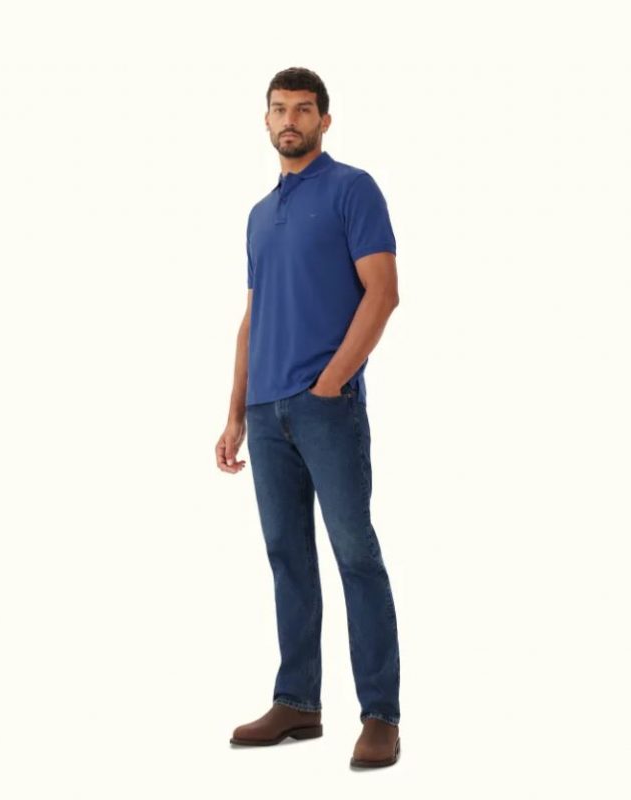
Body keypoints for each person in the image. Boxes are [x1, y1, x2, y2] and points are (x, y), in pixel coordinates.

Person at [215, 67, 402, 769]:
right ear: (266, 121)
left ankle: (380, 715)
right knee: (287, 558)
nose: (289, 119)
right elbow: (252, 317)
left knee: (355, 555)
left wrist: (331, 382)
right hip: (265, 412)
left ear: (324, 119)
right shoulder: (258, 215)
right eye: (278, 109)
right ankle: (298, 702)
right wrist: (235, 410)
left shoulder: (353, 189)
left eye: (302, 109)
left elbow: (382, 293)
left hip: (326, 407)